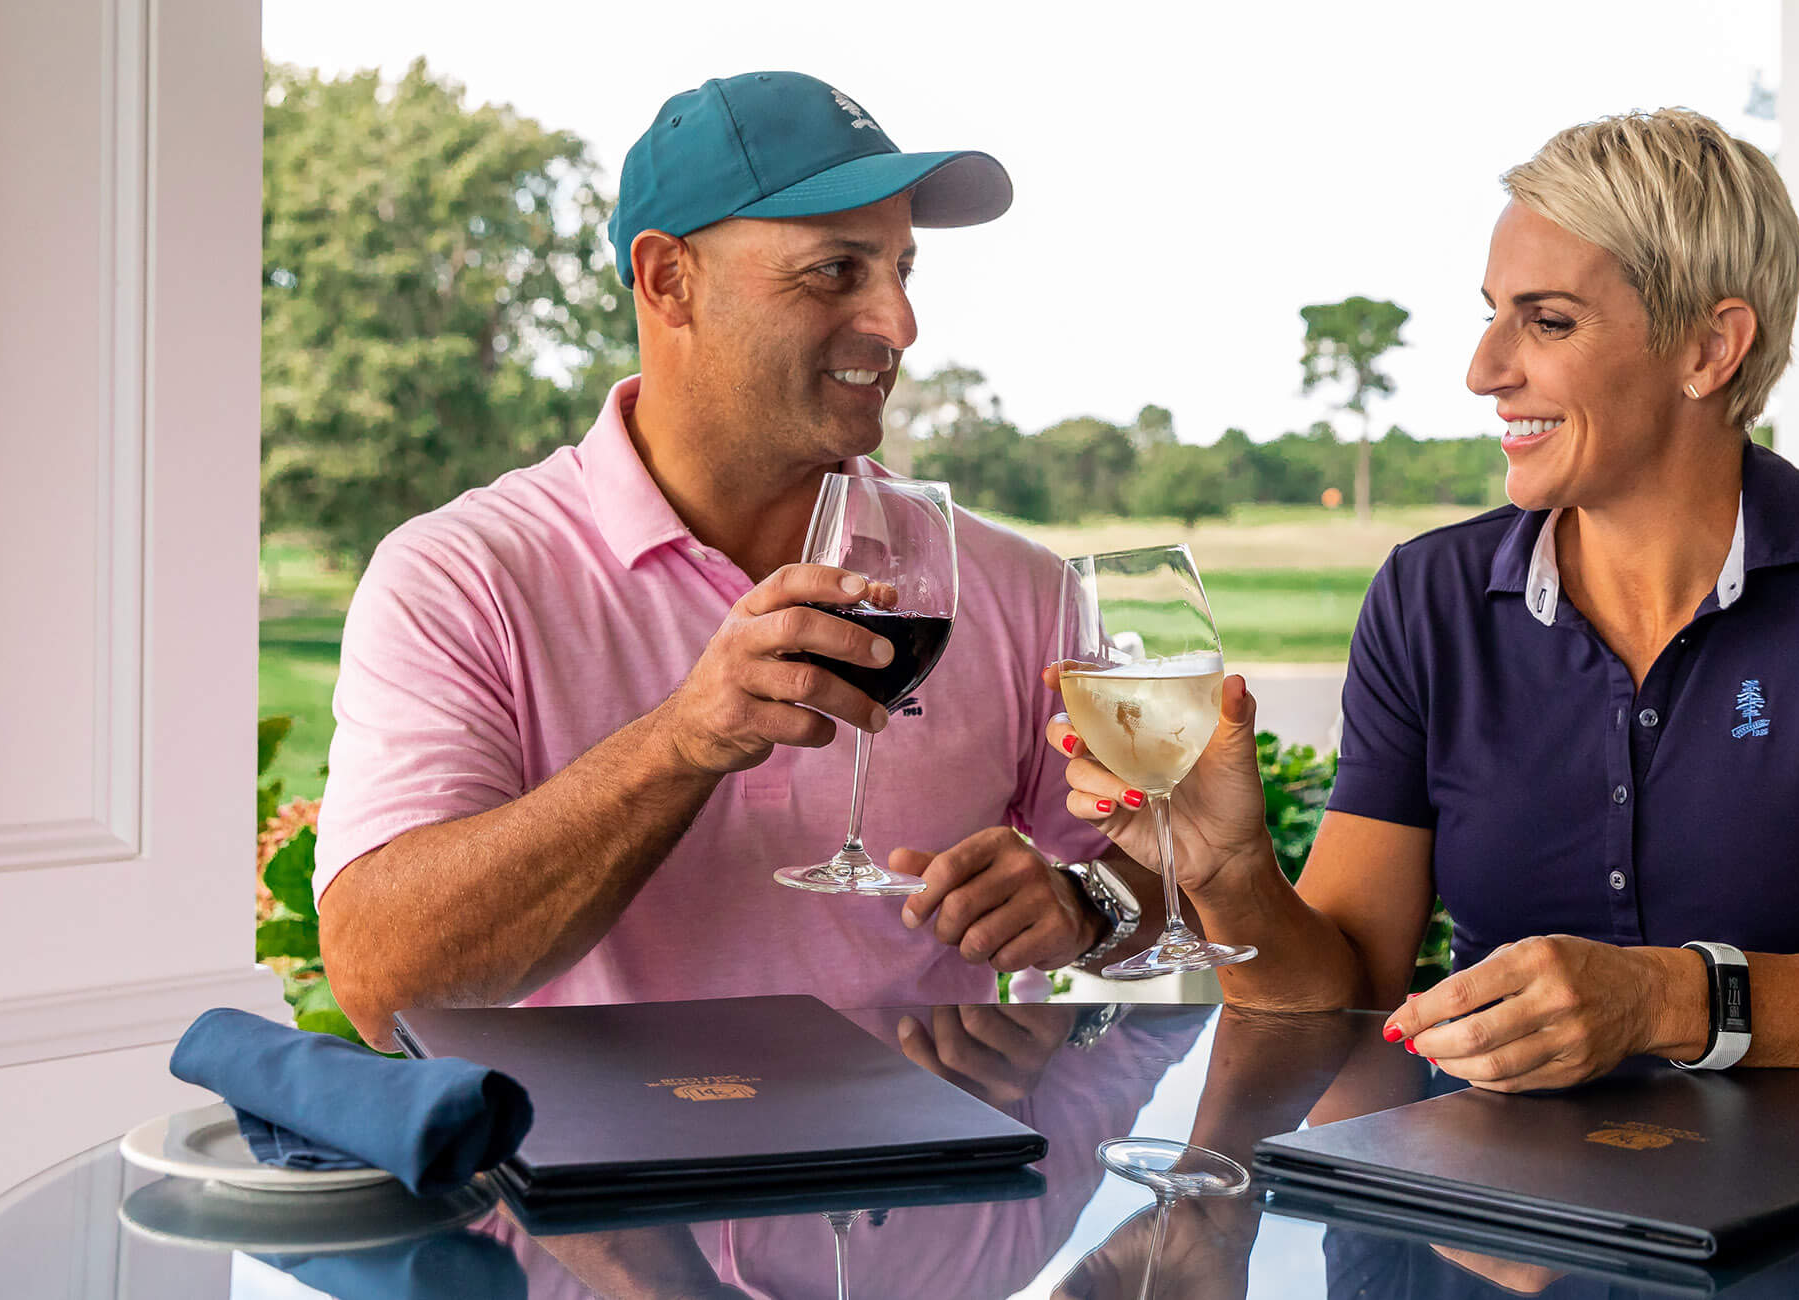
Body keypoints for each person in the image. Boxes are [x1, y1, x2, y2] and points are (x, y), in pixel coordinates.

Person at [1042, 108, 1799, 1091]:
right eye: (1493, 314)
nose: (1485, 371)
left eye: (1547, 321)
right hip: (1492, 1229)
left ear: (1709, 348)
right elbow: (1338, 999)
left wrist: (1663, 997)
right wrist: (1229, 876)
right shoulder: (1427, 599)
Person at [315, 72, 1168, 1048]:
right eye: (837, 270)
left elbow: (1158, 872)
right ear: (668, 278)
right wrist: (681, 741)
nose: (900, 323)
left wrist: (1082, 899)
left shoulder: (1019, 590)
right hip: (604, 1191)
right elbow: (383, 984)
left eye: (902, 269)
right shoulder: (461, 578)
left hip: (924, 1187)